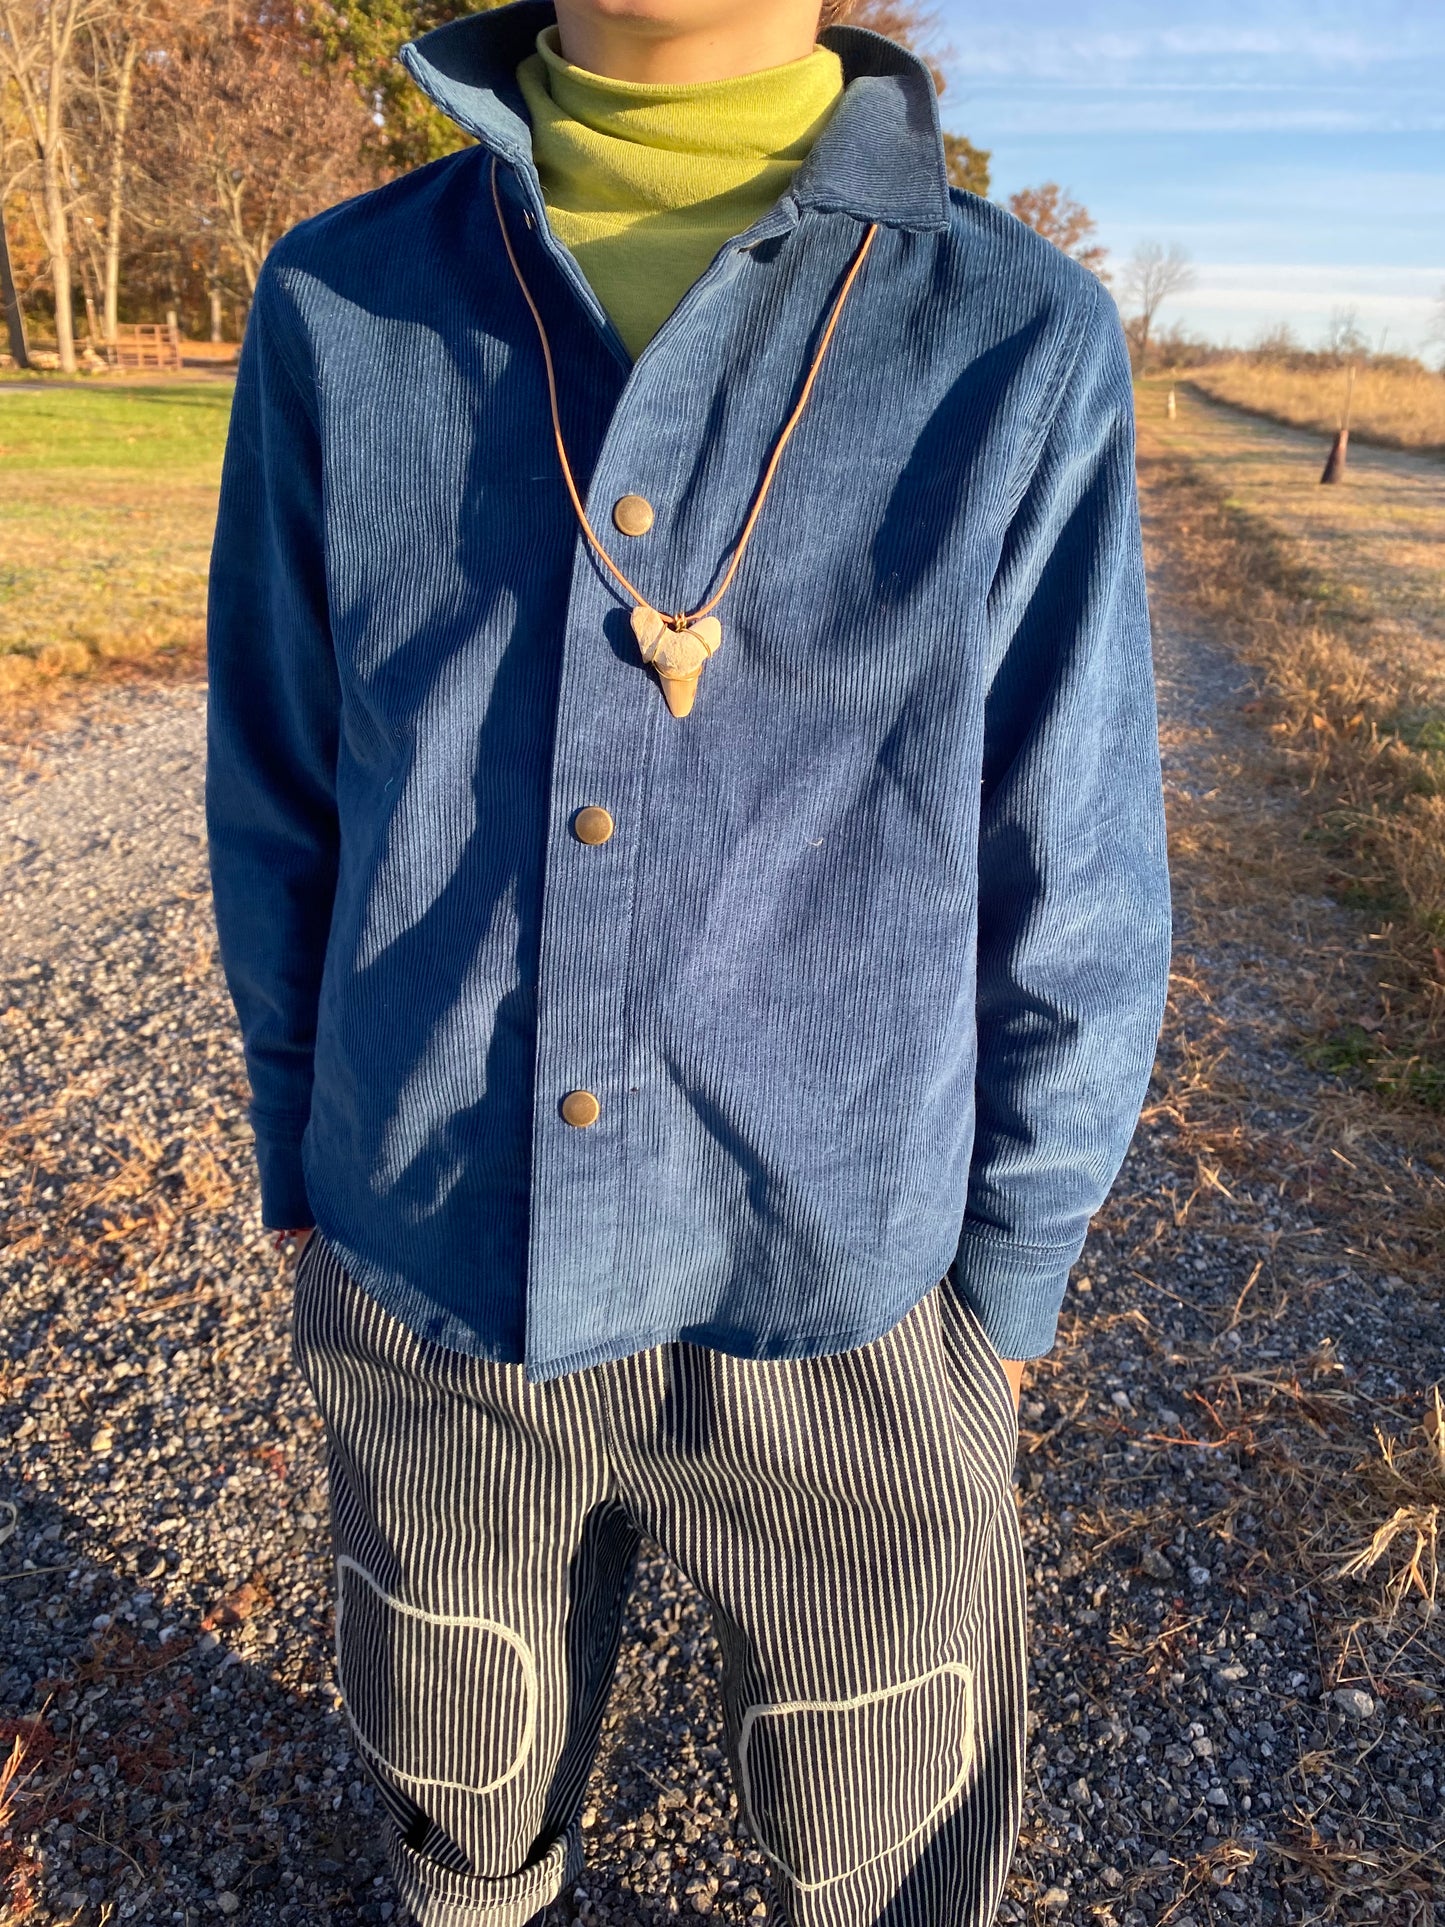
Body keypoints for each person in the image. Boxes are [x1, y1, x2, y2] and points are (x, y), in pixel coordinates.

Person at [205, 0, 1171, 1920]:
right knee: (456, 1816)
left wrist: (1005, 1286)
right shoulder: (342, 300)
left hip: (857, 1301)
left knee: (883, 1841)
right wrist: (301, 1130)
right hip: (433, 1264)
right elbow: (282, 770)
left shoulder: (1011, 333)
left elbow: (1070, 862)